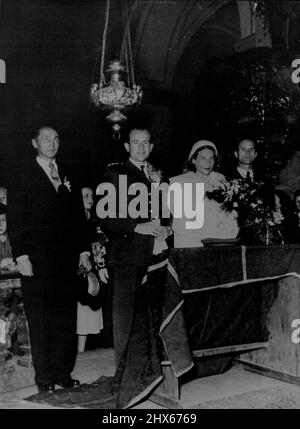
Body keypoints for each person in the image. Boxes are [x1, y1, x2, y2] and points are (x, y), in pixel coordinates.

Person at [7, 125, 91, 394]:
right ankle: (44, 378)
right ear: (35, 143)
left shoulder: (67, 171)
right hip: (36, 259)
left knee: (65, 317)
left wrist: (84, 250)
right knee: (41, 318)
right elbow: (15, 217)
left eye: (56, 139)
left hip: (66, 260)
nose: (52, 144)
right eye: (46, 139)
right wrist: (21, 254)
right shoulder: (22, 174)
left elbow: (79, 216)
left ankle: (63, 372)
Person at [98, 127, 172, 408]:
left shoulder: (158, 175)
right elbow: (105, 217)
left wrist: (166, 227)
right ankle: (124, 379)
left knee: (152, 316)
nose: (141, 147)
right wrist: (137, 226)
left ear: (151, 148)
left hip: (156, 255)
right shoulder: (115, 174)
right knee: (125, 319)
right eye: (135, 143)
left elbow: (166, 210)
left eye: (145, 143)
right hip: (128, 256)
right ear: (127, 146)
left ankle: (148, 374)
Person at [170, 140, 239, 248]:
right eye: (203, 158)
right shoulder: (179, 183)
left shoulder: (223, 182)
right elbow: (178, 221)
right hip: (190, 244)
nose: (208, 163)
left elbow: (231, 216)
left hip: (220, 242)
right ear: (193, 160)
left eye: (211, 158)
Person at [77, 186, 108, 353]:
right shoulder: (72, 219)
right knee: (78, 311)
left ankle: (81, 350)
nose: (90, 199)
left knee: (89, 309)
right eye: (85, 196)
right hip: (77, 270)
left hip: (93, 270)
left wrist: (101, 266)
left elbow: (100, 244)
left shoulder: (95, 221)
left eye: (91, 196)